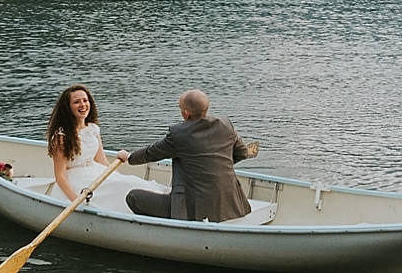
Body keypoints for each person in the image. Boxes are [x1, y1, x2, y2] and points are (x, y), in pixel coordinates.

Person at [117, 89, 256, 222]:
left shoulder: (179, 134)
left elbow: (151, 153)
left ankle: (171, 228)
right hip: (233, 205)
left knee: (133, 197)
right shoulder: (224, 124)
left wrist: (129, 157)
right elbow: (242, 152)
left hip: (192, 210)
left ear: (186, 113)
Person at [46, 84, 169, 212]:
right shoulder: (61, 136)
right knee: (120, 186)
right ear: (68, 108)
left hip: (95, 171)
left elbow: (102, 161)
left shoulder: (92, 129)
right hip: (76, 180)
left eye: (85, 100)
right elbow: (60, 176)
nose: (83, 105)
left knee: (129, 182)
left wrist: (121, 177)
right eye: (77, 102)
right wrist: (76, 200)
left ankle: (165, 204)